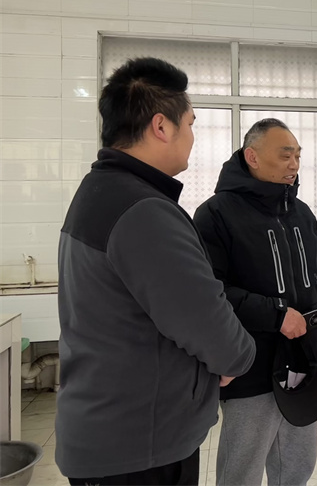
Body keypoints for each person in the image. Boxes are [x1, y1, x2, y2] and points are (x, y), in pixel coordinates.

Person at [56, 57, 256, 486]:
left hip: (110, 431)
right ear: (161, 126)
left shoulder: (99, 190)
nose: (193, 137)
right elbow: (206, 321)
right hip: (138, 449)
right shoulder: (144, 211)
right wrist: (237, 357)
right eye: (191, 124)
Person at [193, 118, 317, 486]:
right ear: (252, 156)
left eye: (297, 156)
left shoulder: (301, 213)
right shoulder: (216, 214)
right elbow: (211, 291)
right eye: (285, 155)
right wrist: (276, 315)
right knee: (242, 470)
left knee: (297, 465)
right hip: (251, 363)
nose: (294, 164)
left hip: (303, 359)